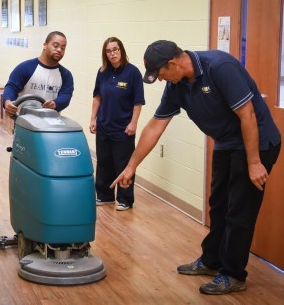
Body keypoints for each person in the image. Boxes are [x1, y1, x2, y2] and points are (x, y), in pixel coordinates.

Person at [111, 40, 281, 293]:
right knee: (218, 204)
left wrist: (254, 162)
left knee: (239, 210)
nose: (160, 80)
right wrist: (131, 166)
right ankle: (212, 261)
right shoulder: (176, 85)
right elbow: (155, 127)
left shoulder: (220, 67)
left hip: (256, 142)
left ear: (173, 63)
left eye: (161, 74)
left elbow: (248, 115)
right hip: (226, 142)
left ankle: (233, 274)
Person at [89, 37, 145, 211]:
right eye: (109, 51)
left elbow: (138, 102)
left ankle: (125, 199)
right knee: (104, 162)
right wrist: (93, 119)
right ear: (105, 54)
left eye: (115, 49)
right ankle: (105, 195)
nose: (112, 53)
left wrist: (134, 123)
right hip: (104, 126)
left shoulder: (133, 73)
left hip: (123, 129)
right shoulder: (102, 72)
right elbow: (97, 96)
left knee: (124, 164)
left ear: (121, 50)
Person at [3, 31, 74, 117]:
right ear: (45, 45)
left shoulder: (66, 75)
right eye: (55, 46)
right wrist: (7, 101)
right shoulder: (25, 67)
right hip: (25, 122)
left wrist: (55, 103)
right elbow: (11, 87)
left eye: (63, 48)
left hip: (51, 122)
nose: (59, 50)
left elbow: (66, 96)